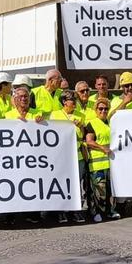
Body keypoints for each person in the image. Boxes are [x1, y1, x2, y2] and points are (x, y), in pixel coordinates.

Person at [50, 90, 88, 224]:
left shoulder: (81, 115)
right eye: (72, 100)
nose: (75, 102)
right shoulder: (55, 115)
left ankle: (76, 210)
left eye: (75, 100)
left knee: (77, 184)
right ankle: (62, 211)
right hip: (61, 156)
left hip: (77, 156)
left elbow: (83, 136)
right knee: (62, 183)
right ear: (64, 102)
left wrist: (81, 127)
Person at [84, 98, 118, 222]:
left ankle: (110, 211)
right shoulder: (92, 124)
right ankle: (95, 212)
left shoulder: (110, 123)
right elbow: (89, 142)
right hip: (97, 164)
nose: (103, 111)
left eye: (105, 109)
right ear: (96, 110)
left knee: (110, 189)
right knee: (97, 191)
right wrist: (102, 148)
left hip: (111, 163)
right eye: (100, 109)